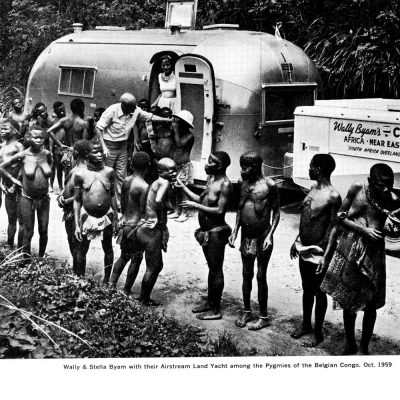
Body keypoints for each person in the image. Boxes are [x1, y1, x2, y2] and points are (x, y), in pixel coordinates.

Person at [319, 163, 400, 355]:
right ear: (370, 181)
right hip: (351, 249)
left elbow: (395, 227)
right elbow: (340, 217)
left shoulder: (393, 200)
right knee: (349, 300)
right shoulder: (357, 188)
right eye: (381, 185)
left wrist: (392, 225)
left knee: (371, 304)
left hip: (374, 254)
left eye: (389, 185)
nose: (386, 189)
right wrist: (363, 230)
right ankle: (350, 343)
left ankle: (364, 347)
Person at [289, 154, 341, 347]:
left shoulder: (333, 196)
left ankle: (318, 333)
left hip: (319, 251)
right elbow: (306, 219)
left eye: (311, 166)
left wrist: (325, 256)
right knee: (306, 288)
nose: (308, 169)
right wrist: (296, 241)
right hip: (304, 247)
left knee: (319, 292)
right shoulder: (312, 189)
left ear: (318, 169)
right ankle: (306, 324)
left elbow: (334, 228)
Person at [228, 151, 280, 330]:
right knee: (246, 274)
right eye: (241, 167)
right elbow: (240, 208)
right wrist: (235, 230)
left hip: (263, 236)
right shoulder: (242, 183)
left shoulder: (269, 185)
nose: (242, 171)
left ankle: (264, 316)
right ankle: (247, 311)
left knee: (260, 275)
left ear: (256, 167)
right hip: (246, 236)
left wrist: (270, 235)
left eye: (246, 168)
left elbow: (276, 213)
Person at [178, 152, 232, 320]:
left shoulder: (225, 184)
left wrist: (196, 206)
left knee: (216, 270)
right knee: (212, 269)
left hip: (216, 232)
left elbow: (220, 210)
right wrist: (182, 187)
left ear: (219, 166)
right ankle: (210, 302)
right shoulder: (211, 180)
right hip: (206, 232)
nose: (206, 164)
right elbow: (200, 199)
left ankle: (216, 310)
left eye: (210, 162)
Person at [95, 93, 172, 206]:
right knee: (107, 173)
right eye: (132, 107)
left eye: (135, 106)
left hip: (122, 145)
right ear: (124, 105)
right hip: (109, 145)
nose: (135, 109)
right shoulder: (112, 110)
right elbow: (98, 128)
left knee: (121, 175)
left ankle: (120, 204)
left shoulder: (135, 110)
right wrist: (104, 147)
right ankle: (102, 201)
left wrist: (166, 120)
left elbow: (150, 116)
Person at [0, 125, 53, 258]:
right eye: (35, 137)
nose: (39, 140)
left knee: (44, 230)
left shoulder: (47, 154)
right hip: (27, 198)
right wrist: (14, 180)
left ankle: (41, 258)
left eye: (41, 137)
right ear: (29, 137)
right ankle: (25, 259)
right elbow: (2, 167)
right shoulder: (23, 155)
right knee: (28, 231)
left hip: (44, 198)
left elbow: (50, 166)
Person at [73, 141, 118, 282]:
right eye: (95, 152)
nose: (99, 154)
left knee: (108, 247)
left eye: (101, 151)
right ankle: (80, 280)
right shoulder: (80, 174)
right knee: (82, 249)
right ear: (87, 154)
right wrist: (77, 225)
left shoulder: (109, 172)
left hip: (106, 216)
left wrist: (116, 217)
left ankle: (106, 280)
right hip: (87, 216)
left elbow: (113, 195)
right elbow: (77, 200)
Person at [135, 157, 177, 306]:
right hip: (152, 229)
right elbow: (159, 201)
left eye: (175, 170)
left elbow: (160, 203)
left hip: (148, 227)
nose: (174, 173)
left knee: (156, 266)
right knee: (153, 267)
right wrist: (159, 217)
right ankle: (144, 299)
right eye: (170, 171)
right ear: (160, 171)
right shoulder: (164, 182)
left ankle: (144, 297)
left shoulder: (157, 182)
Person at [109, 152, 150, 294]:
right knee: (136, 258)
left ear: (131, 164)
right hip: (134, 226)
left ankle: (111, 285)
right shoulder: (144, 186)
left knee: (123, 256)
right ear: (148, 166)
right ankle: (126, 290)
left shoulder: (126, 180)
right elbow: (143, 211)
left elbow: (123, 203)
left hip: (124, 222)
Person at [57, 140, 91, 262]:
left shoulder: (85, 171)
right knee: (72, 242)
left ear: (78, 153)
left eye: (74, 151)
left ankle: (79, 272)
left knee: (79, 247)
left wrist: (67, 201)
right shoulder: (74, 168)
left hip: (78, 212)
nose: (72, 153)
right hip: (69, 212)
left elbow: (84, 195)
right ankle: (76, 271)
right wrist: (61, 196)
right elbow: (68, 188)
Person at [47, 98, 89, 176]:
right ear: (82, 108)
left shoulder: (64, 120)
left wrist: (60, 145)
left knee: (67, 175)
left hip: (67, 152)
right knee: (77, 175)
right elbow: (84, 140)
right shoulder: (83, 122)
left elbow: (49, 131)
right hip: (78, 152)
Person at [0, 119, 24, 247]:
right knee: (11, 219)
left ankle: (20, 249)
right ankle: (10, 246)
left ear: (14, 131)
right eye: (1, 128)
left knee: (21, 220)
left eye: (5, 128)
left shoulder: (18, 146)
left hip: (18, 187)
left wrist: (15, 184)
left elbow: (22, 166)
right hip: (6, 187)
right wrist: (1, 184)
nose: (2, 130)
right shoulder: (1, 147)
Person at [170, 110, 195, 222]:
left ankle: (184, 213)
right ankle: (176, 211)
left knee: (183, 190)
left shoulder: (189, 136)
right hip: (176, 166)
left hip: (184, 166)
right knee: (175, 189)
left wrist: (175, 130)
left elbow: (179, 144)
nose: (177, 124)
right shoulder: (178, 134)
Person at [49, 102, 67, 192]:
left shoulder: (67, 119)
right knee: (57, 168)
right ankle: (54, 186)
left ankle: (64, 187)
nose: (62, 111)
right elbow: (51, 136)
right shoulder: (54, 121)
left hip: (66, 147)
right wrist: (50, 149)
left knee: (66, 168)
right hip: (57, 147)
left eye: (63, 109)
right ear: (55, 111)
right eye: (59, 110)